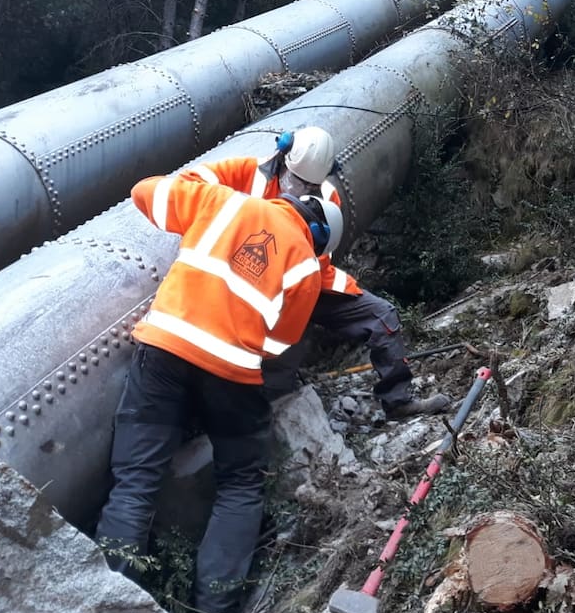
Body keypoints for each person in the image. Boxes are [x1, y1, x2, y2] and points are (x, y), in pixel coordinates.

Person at [95, 163, 338, 613]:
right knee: (241, 484)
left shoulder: (222, 200)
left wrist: (209, 175)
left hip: (163, 354)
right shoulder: (307, 265)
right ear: (317, 235)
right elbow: (280, 343)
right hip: (232, 376)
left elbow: (144, 191)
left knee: (135, 483)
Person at [185, 126, 451, 419]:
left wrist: (297, 295)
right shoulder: (247, 173)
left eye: (309, 186)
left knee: (381, 316)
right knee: (273, 354)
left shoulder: (327, 196)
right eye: (295, 180)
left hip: (303, 282)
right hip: (249, 279)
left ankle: (398, 401)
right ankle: (251, 412)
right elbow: (191, 182)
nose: (299, 190)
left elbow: (316, 261)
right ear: (283, 160)